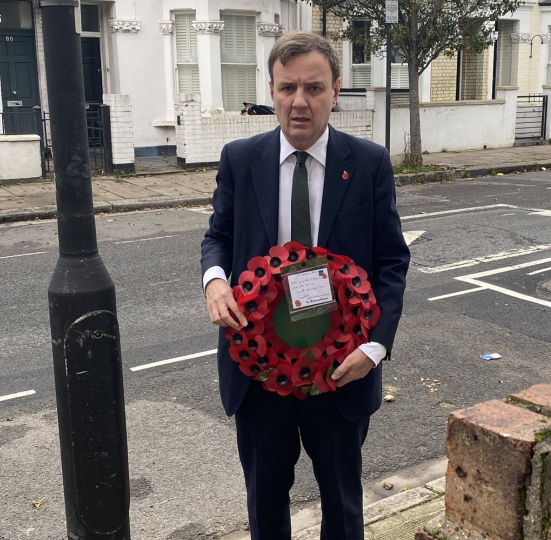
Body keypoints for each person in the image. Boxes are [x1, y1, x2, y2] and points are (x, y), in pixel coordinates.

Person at [201, 31, 409, 540]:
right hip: (259, 368)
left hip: (339, 369)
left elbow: (391, 262)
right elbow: (218, 237)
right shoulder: (239, 158)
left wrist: (375, 347)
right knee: (265, 504)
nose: (299, 102)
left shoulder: (368, 164)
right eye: (287, 87)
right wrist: (214, 282)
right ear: (269, 90)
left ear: (336, 91)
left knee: (341, 503)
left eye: (313, 88)